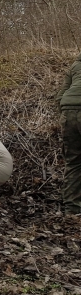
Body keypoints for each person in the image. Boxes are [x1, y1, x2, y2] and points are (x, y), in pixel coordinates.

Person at [57, 51, 81, 214]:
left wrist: (66, 116)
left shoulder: (75, 65)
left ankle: (72, 209)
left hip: (68, 112)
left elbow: (59, 96)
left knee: (73, 161)